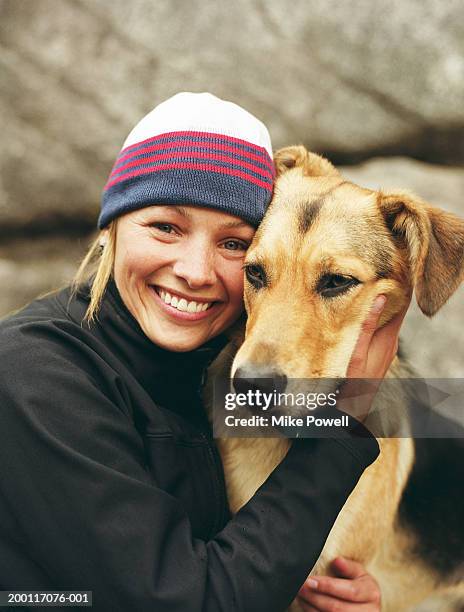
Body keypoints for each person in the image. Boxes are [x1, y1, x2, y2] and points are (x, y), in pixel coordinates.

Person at [0, 92, 404, 611]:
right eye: (165, 227)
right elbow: (187, 601)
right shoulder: (34, 374)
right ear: (110, 228)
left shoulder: (211, 370)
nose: (195, 270)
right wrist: (343, 425)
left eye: (235, 245)